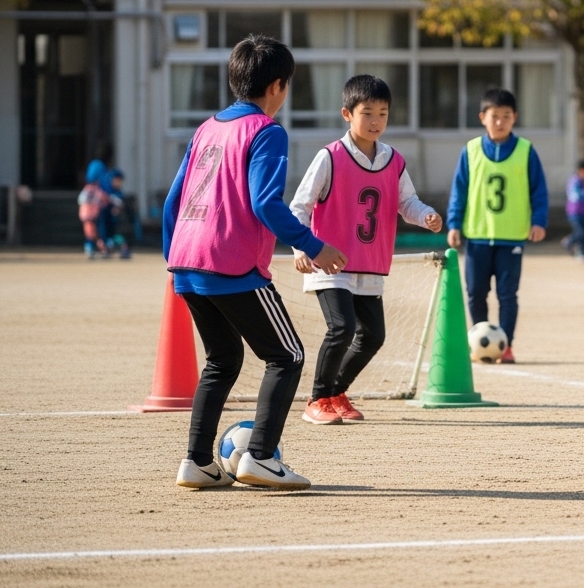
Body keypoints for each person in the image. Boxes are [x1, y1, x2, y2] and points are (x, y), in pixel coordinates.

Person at [165, 34, 348, 490]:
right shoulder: (267, 131)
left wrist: (177, 253)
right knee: (287, 354)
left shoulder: (207, 128)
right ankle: (261, 457)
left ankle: (197, 462)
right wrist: (311, 243)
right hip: (232, 265)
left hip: (187, 264)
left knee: (222, 360)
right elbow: (266, 203)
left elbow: (173, 199)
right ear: (278, 86)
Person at [290, 74, 443, 425]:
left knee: (373, 336)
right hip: (329, 264)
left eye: (383, 114)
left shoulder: (393, 160)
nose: (376, 121)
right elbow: (299, 205)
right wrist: (302, 245)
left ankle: (337, 392)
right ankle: (316, 399)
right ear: (347, 114)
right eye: (368, 113)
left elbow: (408, 203)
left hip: (370, 264)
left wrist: (427, 216)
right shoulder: (330, 156)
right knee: (341, 328)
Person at [445, 88, 548, 364]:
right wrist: (453, 224)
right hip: (477, 236)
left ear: (514, 118)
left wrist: (538, 220)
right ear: (483, 117)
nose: (500, 122)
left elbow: (538, 190)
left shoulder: (526, 151)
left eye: (506, 116)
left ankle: (506, 345)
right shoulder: (471, 150)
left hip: (511, 237)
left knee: (507, 295)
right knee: (476, 293)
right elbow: (459, 191)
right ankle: (480, 343)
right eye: (494, 116)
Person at [78, 165, 110, 259]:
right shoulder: (94, 190)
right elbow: (104, 199)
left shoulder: (90, 189)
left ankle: (97, 249)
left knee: (93, 233)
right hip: (91, 214)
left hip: (92, 214)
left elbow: (80, 200)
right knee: (92, 233)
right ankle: (94, 249)